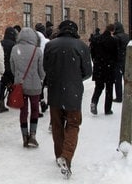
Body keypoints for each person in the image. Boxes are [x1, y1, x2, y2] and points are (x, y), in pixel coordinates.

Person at [43, 20, 92, 179]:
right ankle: (67, 156)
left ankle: (60, 155)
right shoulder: (82, 46)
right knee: (73, 124)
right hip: (73, 93)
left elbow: (46, 67)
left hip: (55, 91)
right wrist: (74, 79)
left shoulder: (51, 45)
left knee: (57, 125)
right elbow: (88, 72)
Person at [10, 27, 45, 148]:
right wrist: (40, 78)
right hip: (35, 85)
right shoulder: (37, 50)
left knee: (23, 111)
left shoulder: (15, 49)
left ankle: (24, 136)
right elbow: (41, 71)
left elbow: (12, 68)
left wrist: (18, 78)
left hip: (20, 86)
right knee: (35, 109)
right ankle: (33, 135)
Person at [90, 24, 118, 115]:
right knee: (109, 89)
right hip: (109, 67)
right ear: (112, 31)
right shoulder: (113, 41)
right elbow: (116, 55)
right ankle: (107, 109)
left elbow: (92, 53)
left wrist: (96, 61)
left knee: (98, 87)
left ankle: (94, 102)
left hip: (98, 66)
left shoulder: (97, 39)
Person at [0, 26, 17, 113]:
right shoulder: (14, 44)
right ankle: (11, 101)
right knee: (12, 85)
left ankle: (1, 102)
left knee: (2, 87)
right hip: (11, 68)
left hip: (2, 67)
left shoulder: (0, 43)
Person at [34, 23, 50, 116]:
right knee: (42, 85)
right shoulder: (46, 41)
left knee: (37, 87)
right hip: (44, 66)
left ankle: (40, 103)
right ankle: (42, 103)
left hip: (33, 66)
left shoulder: (32, 40)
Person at [113, 22, 129, 103]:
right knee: (127, 78)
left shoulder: (116, 37)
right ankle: (128, 94)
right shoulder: (127, 36)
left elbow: (114, 50)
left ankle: (119, 97)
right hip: (127, 60)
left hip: (118, 61)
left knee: (118, 80)